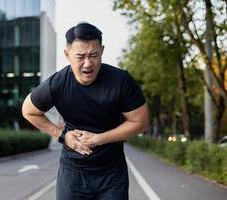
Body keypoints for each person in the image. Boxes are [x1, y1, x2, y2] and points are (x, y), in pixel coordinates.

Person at [22, 22, 148, 200]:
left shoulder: (121, 81)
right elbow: (28, 111)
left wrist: (98, 139)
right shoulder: (57, 84)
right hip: (73, 172)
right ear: (67, 55)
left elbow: (140, 122)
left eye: (94, 55)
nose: (88, 64)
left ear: (102, 51)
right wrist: (62, 135)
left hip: (111, 173)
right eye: (80, 56)